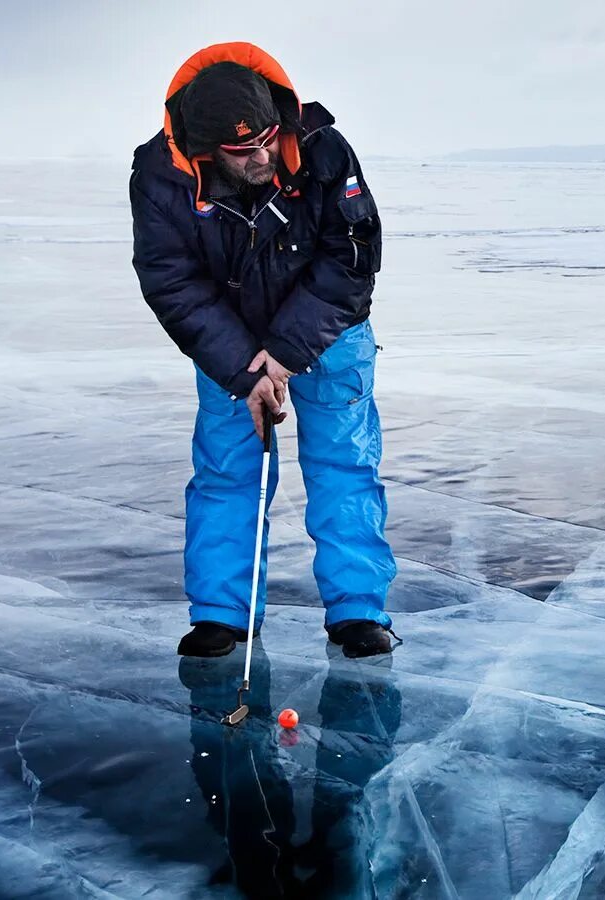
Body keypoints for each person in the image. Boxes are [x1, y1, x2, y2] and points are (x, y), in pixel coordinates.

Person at [130, 42, 397, 658]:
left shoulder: (324, 149)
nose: (260, 156)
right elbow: (170, 280)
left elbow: (352, 257)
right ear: (203, 150)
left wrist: (283, 354)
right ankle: (223, 615)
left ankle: (358, 610)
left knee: (345, 464)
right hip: (232, 343)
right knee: (228, 472)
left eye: (267, 141)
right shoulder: (159, 175)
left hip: (329, 335)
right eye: (241, 151)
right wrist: (245, 368)